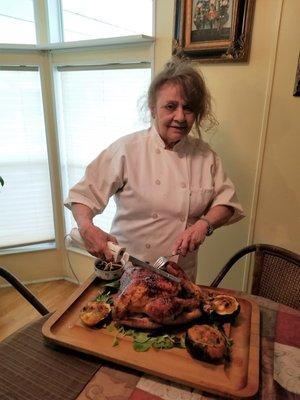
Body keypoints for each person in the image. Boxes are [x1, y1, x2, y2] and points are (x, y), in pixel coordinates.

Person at [64, 57, 244, 282]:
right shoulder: (127, 149)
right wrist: (86, 227)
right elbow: (83, 195)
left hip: (179, 275)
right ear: (153, 108)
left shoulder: (205, 156)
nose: (180, 117)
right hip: (127, 270)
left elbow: (226, 203)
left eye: (188, 108)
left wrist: (203, 224)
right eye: (170, 106)